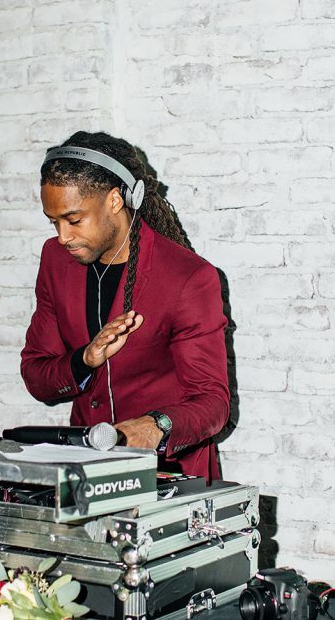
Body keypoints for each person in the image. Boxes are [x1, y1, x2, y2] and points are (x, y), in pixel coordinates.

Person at [20, 131, 230, 481]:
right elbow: (37, 376)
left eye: (73, 220)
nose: (62, 237)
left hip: (170, 476)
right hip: (86, 471)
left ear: (115, 200)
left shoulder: (189, 277)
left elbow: (213, 402)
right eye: (53, 222)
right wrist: (84, 360)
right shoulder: (55, 260)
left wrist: (156, 426)